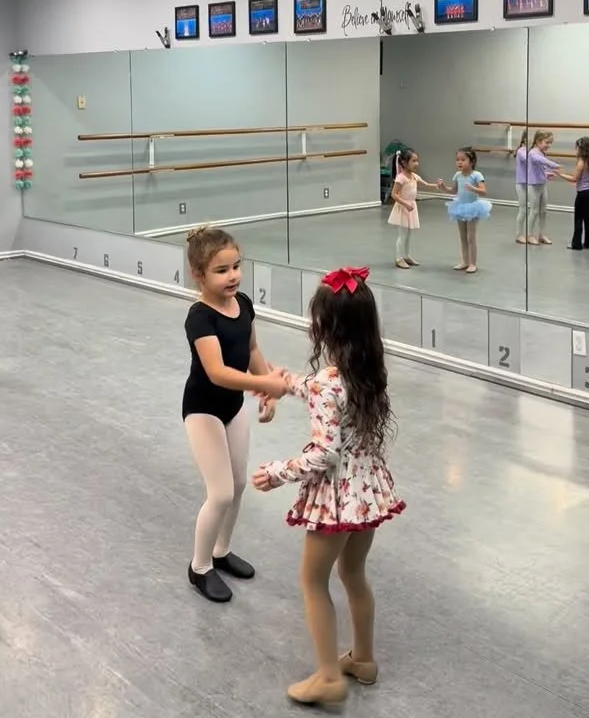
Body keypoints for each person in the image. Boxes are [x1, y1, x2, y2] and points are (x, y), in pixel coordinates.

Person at [252, 266, 404, 706]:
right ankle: (363, 660)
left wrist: (277, 472)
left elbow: (324, 454)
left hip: (336, 501)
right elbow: (326, 392)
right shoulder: (368, 370)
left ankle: (327, 677)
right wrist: (288, 383)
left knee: (312, 580)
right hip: (367, 494)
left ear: (324, 326)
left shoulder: (326, 383)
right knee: (354, 574)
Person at [182, 225, 286, 603]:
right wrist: (266, 383)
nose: (233, 276)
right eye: (221, 270)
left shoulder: (243, 303)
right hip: (203, 410)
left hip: (234, 406)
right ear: (199, 275)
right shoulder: (200, 318)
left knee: (239, 484)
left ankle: (220, 551)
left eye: (236, 266)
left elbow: (252, 349)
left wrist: (265, 388)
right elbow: (217, 372)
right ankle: (199, 567)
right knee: (221, 492)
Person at [437, 147, 492, 273]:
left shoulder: (477, 175)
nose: (459, 162)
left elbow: (484, 191)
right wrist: (443, 187)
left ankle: (473, 263)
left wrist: (473, 188)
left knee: (470, 237)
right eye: (457, 160)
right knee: (463, 236)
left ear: (471, 162)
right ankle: (465, 261)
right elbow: (454, 190)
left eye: (463, 160)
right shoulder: (457, 175)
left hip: (473, 207)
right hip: (460, 207)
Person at [387, 147, 440, 268]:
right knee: (402, 235)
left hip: (410, 208)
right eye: (413, 161)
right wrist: (405, 204)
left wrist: (437, 186)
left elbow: (426, 184)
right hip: (403, 208)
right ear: (404, 163)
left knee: (408, 235)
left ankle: (406, 255)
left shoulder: (414, 176)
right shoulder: (401, 178)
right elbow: (394, 194)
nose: (416, 163)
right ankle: (399, 258)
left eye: (417, 161)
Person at [515, 129, 560, 245]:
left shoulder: (537, 152)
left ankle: (541, 234)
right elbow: (534, 160)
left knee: (542, 211)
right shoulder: (523, 151)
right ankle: (520, 234)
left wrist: (546, 173)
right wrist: (553, 165)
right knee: (524, 210)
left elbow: (537, 167)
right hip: (523, 183)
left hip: (535, 182)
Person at [557, 137, 589, 250]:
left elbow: (574, 179)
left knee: (578, 218)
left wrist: (560, 174)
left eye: (577, 148)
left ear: (582, 149)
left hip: (583, 194)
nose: (576, 150)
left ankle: (576, 244)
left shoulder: (581, 162)